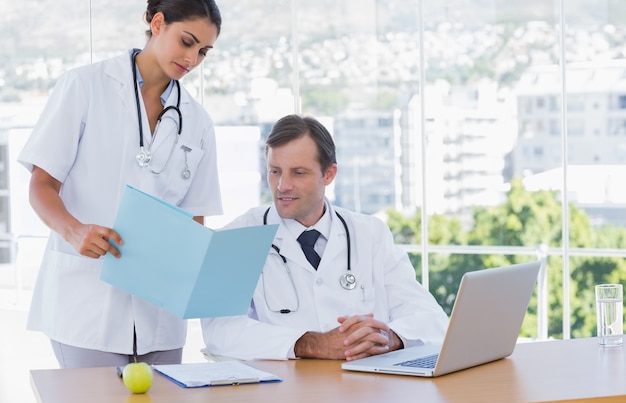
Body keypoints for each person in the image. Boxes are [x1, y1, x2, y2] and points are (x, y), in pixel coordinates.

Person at [18, 0, 223, 368]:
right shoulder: (85, 86)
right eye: (187, 42)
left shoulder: (198, 121)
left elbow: (194, 221)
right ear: (158, 23)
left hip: (161, 313)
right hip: (87, 302)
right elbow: (42, 184)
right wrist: (74, 231)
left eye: (204, 51)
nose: (193, 59)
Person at [201, 114, 448, 361]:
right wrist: (309, 344)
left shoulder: (371, 234)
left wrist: (389, 338)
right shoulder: (235, 238)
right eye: (274, 171)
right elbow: (220, 331)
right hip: (281, 391)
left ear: (329, 175)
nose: (281, 186)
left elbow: (428, 316)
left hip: (365, 391)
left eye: (298, 173)